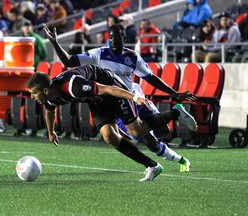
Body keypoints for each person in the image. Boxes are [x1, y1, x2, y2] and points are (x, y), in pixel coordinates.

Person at [42, 23, 197, 173]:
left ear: (124, 38)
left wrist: (174, 93)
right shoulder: (98, 54)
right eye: (110, 38)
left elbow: (150, 78)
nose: (113, 41)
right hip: (112, 103)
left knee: (163, 132)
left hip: (133, 96)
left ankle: (177, 112)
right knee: (145, 138)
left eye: (117, 38)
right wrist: (55, 43)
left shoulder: (132, 57)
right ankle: (178, 160)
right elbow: (69, 61)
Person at [27, 64, 195, 181]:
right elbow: (50, 111)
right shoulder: (49, 98)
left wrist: (134, 96)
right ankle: (152, 166)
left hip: (111, 87)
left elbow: (107, 89)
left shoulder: (73, 86)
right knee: (109, 136)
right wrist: (51, 132)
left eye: (33, 94)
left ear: (45, 90)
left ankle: (176, 112)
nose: (32, 98)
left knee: (137, 131)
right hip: (96, 100)